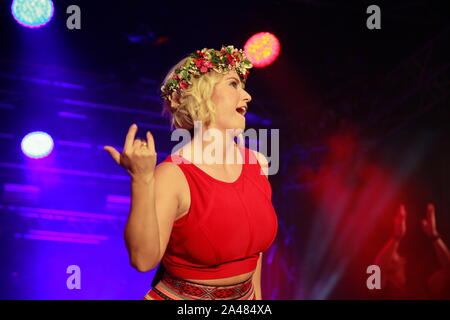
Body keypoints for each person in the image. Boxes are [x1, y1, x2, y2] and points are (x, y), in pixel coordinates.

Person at [103, 45, 278, 300]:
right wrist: (141, 179)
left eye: (243, 85)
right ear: (199, 96)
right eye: (233, 84)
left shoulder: (258, 163)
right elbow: (143, 260)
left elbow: (254, 259)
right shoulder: (173, 176)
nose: (247, 96)